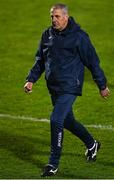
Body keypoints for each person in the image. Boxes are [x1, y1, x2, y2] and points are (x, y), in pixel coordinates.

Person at [24, 4, 110, 177]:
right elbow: (40, 60)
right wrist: (31, 79)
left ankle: (53, 163)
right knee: (67, 121)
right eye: (52, 17)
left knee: (56, 120)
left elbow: (93, 62)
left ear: (66, 16)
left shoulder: (79, 37)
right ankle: (92, 143)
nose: (54, 20)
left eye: (57, 16)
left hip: (70, 86)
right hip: (54, 86)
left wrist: (102, 85)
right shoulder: (47, 35)